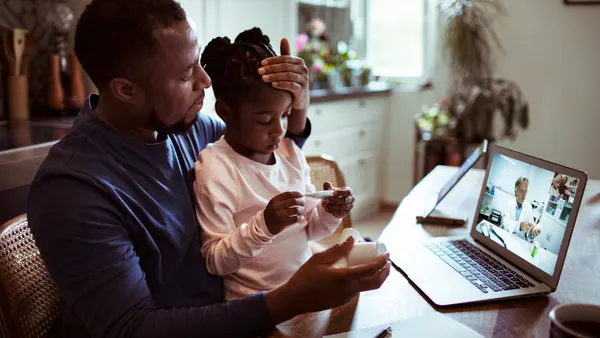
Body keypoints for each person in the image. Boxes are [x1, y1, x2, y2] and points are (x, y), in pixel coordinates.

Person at [26, 1, 390, 337]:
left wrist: (296, 109)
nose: (205, 81)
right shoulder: (73, 190)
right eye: (186, 75)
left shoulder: (189, 128)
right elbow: (132, 329)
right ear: (126, 90)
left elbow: (261, 158)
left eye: (199, 62)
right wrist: (289, 299)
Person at [195, 28, 352, 300]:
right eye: (264, 120)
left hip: (305, 293)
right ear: (225, 112)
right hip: (256, 307)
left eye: (285, 115)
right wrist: (264, 226)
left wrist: (330, 212)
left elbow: (310, 231)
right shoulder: (215, 167)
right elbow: (215, 260)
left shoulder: (289, 152)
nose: (279, 130)